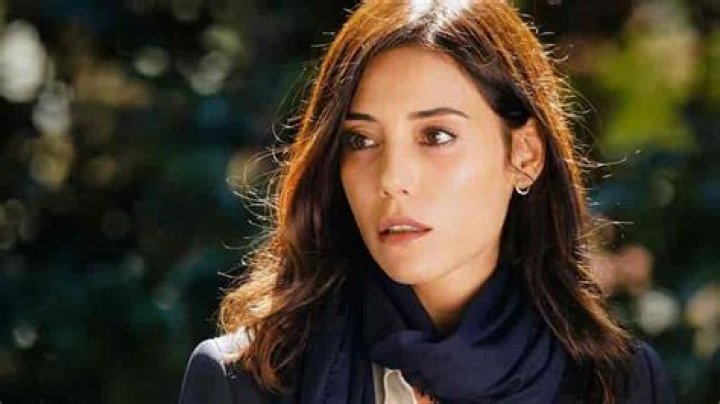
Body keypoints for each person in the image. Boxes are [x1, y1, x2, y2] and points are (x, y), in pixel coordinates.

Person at [178, 1, 675, 403]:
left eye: (436, 136)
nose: (392, 179)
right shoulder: (242, 384)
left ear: (524, 153)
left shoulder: (619, 385)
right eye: (360, 140)